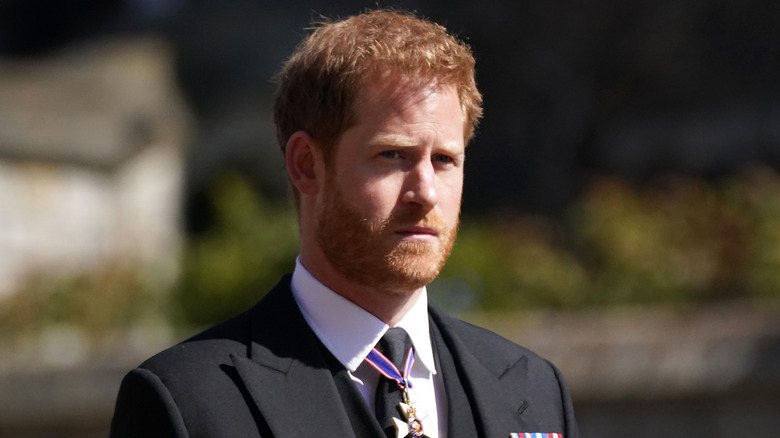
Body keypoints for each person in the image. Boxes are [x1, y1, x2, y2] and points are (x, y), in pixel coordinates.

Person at [110, 9, 578, 438]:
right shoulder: (188, 402)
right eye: (392, 155)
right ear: (306, 165)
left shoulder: (536, 391)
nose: (425, 192)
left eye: (444, 160)